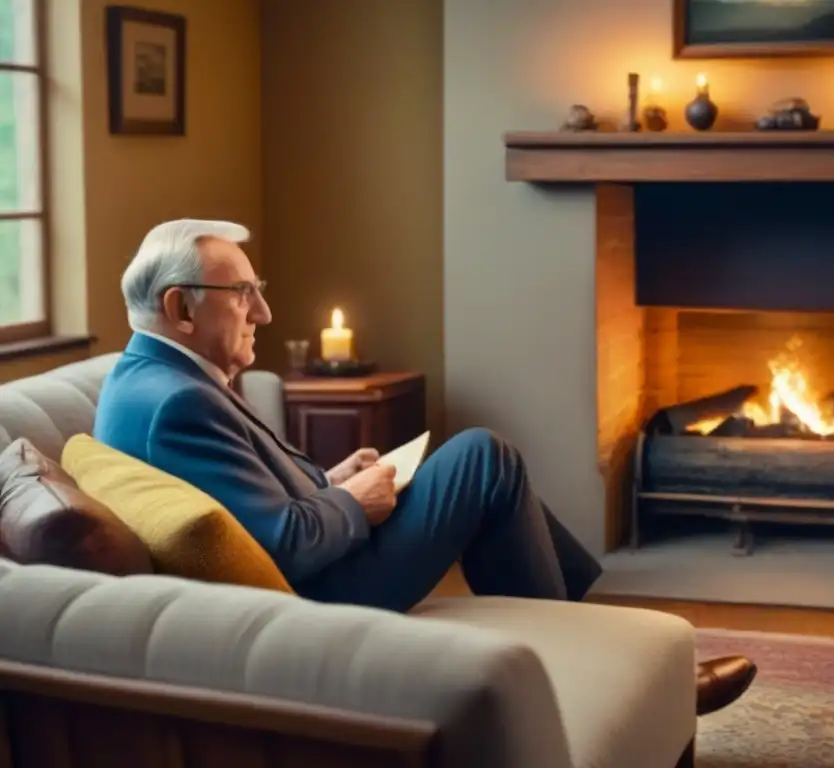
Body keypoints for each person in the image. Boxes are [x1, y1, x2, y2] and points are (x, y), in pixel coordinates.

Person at [94, 219, 757, 716]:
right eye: (242, 294)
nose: (263, 312)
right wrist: (355, 502)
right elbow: (285, 548)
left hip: (322, 558)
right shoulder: (176, 401)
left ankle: (613, 661)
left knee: (484, 467)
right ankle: (595, 670)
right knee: (481, 458)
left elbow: (248, 501)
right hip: (319, 597)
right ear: (181, 308)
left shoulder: (156, 378)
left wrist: (330, 480)